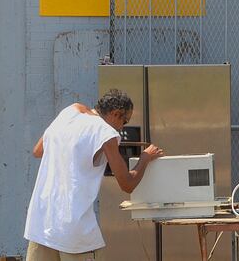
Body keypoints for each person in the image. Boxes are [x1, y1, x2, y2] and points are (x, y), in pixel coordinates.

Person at [24, 90, 164, 261]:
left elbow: (38, 151)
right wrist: (145, 158)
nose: (122, 127)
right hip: (75, 230)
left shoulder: (70, 111)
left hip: (41, 224)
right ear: (115, 114)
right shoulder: (106, 133)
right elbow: (127, 184)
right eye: (124, 121)